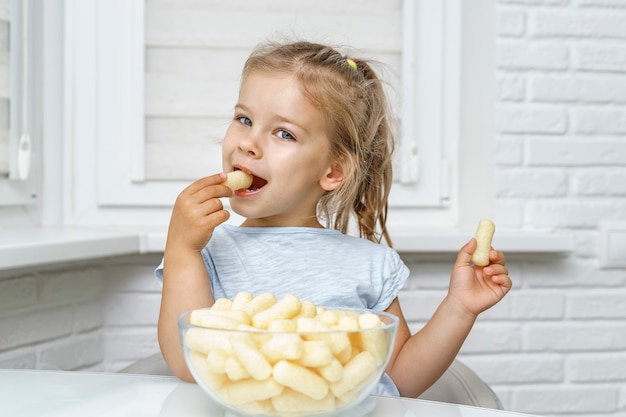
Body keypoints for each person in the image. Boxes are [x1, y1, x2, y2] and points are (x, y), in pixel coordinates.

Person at [156, 40, 511, 398]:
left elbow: (400, 379)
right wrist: (182, 248)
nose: (248, 143)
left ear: (334, 171)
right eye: (244, 119)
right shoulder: (205, 253)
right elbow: (187, 364)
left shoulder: (370, 265)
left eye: (284, 133)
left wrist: (459, 308)